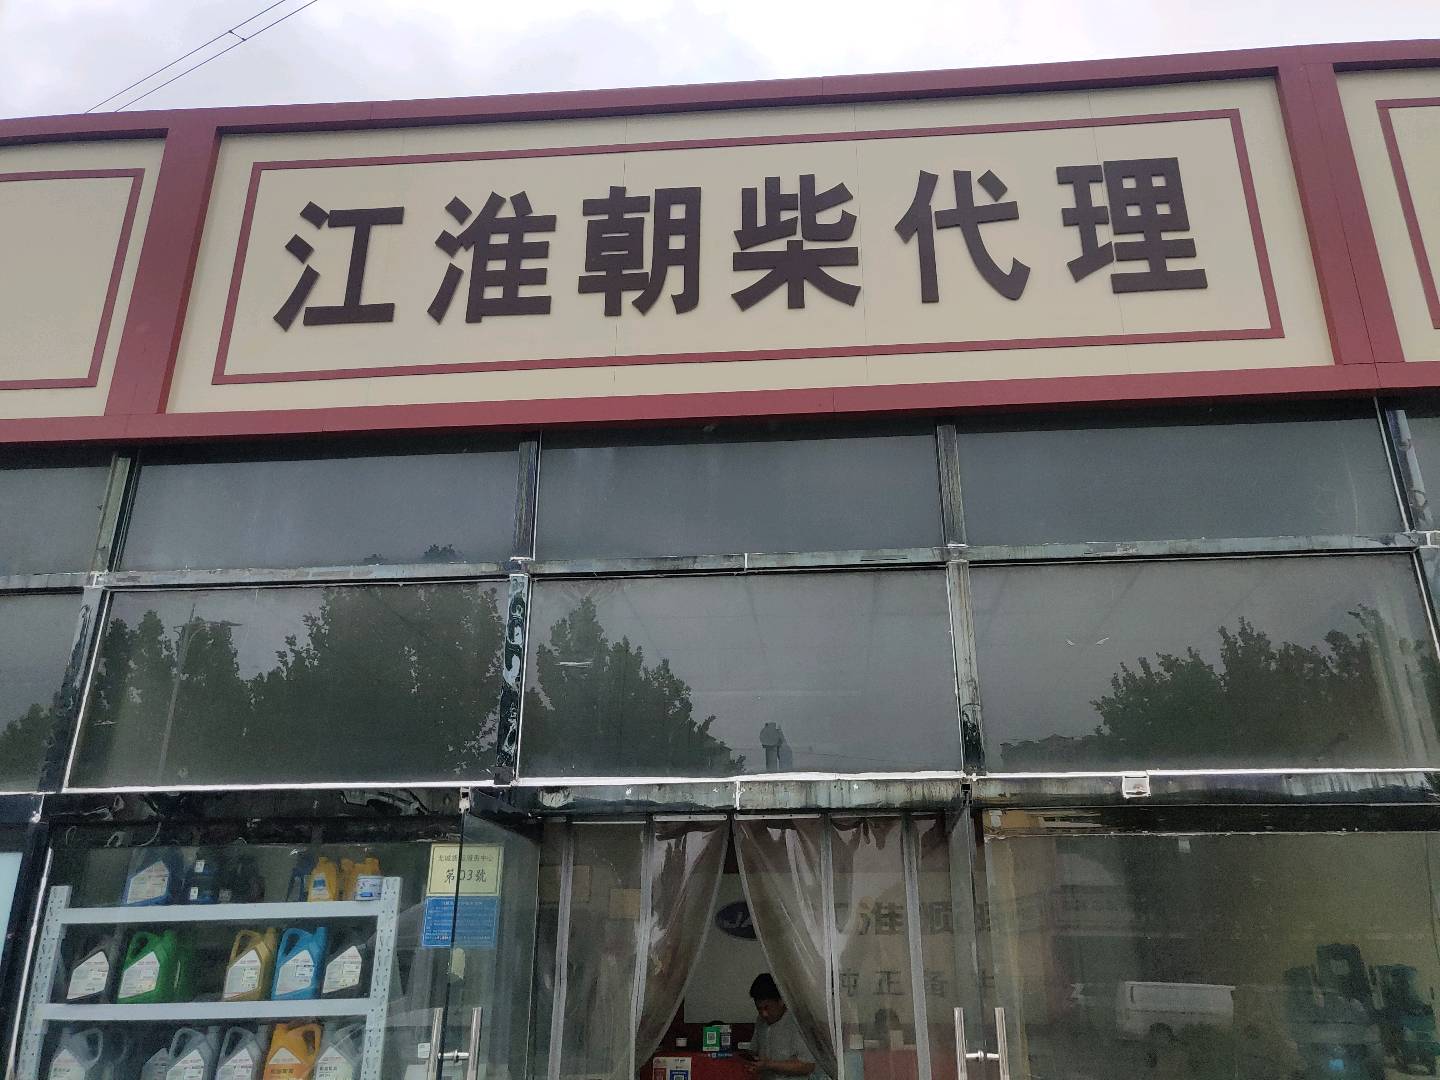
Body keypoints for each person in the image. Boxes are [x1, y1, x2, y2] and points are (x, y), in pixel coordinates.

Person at [746, 973, 824, 1080]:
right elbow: (754, 1050)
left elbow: (807, 1065)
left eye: (767, 1008)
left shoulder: (798, 1022)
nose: (764, 1014)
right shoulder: (761, 1020)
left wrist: (769, 1065)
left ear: (781, 1001)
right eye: (759, 1009)